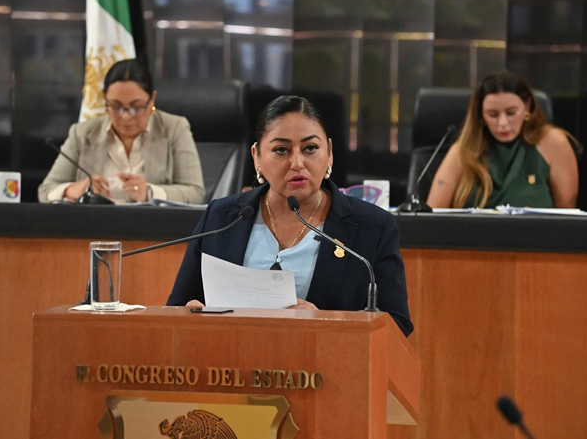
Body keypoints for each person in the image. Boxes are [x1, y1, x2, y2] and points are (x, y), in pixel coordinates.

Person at [167, 95, 413, 337]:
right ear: (257, 157)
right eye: (281, 150)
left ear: (329, 153)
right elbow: (177, 308)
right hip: (229, 359)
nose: (297, 163)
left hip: (325, 362)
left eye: (310, 148)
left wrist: (324, 322)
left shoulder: (372, 226)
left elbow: (397, 326)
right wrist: (189, 315)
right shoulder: (222, 217)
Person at [38, 59, 205, 204]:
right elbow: (45, 191)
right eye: (116, 106)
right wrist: (74, 190)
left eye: (136, 107)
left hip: (153, 226)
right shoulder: (83, 133)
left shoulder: (174, 128)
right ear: (105, 101)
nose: (125, 116)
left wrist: (149, 192)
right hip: (93, 226)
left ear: (152, 100)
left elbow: (196, 193)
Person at [427, 70, 581, 209]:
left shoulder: (553, 142)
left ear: (527, 106)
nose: (503, 123)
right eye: (493, 115)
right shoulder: (463, 150)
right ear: (480, 115)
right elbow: (432, 214)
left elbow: (566, 217)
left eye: (511, 113)